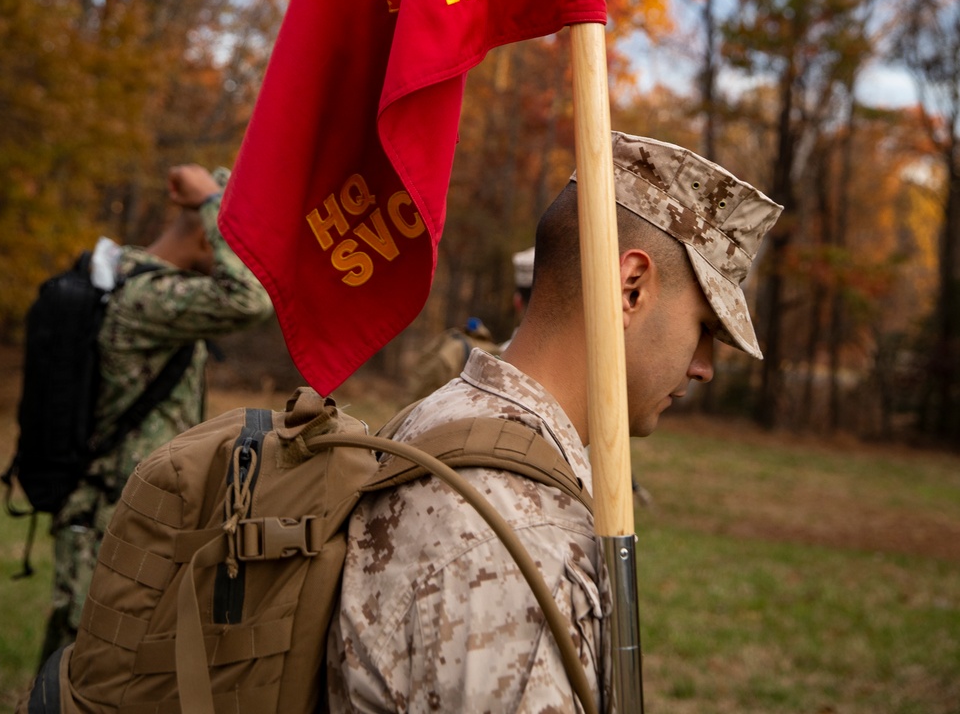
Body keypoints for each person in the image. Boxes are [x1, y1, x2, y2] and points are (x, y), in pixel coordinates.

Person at [327, 133, 782, 713]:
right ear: (631, 286)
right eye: (705, 329)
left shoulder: (446, 416)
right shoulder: (517, 535)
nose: (704, 369)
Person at [40, 163, 273, 662]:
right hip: (110, 519)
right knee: (84, 667)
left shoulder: (135, 286)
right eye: (235, 244)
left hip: (130, 513)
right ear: (210, 239)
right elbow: (250, 301)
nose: (244, 259)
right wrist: (215, 204)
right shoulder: (146, 298)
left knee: (93, 666)